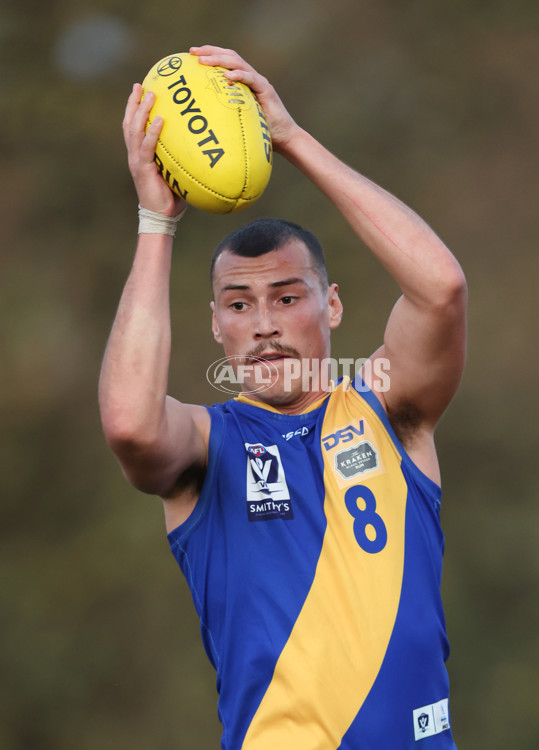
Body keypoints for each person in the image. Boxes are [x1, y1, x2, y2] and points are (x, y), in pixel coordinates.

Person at [99, 45, 467, 750]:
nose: (264, 322)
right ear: (215, 325)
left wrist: (293, 141)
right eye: (238, 304)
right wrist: (156, 222)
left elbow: (441, 288)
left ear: (330, 306)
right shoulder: (209, 445)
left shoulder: (388, 407)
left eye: (286, 297)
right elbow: (127, 423)